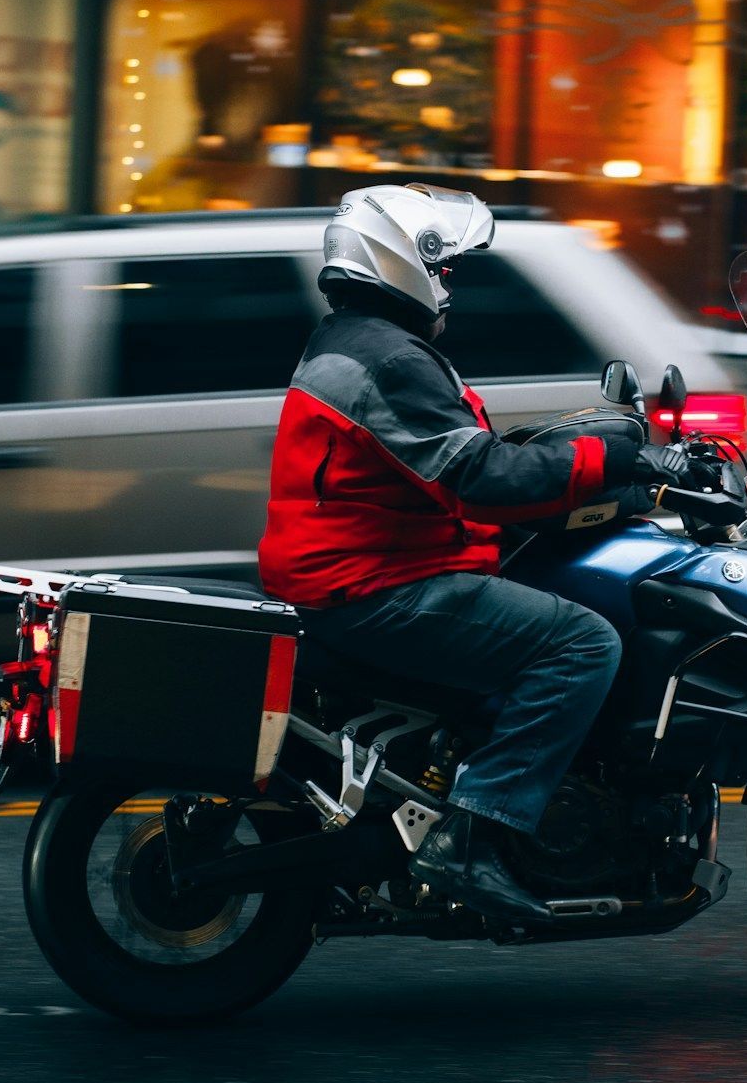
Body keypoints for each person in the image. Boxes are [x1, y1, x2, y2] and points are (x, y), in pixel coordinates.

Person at [258, 183, 690, 923]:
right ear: (401, 262)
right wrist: (613, 459)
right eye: (444, 266)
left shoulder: (364, 345)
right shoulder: (389, 359)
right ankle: (473, 834)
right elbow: (481, 479)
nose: (449, 282)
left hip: (367, 570)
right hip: (376, 586)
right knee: (584, 643)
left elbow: (458, 456)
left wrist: (581, 449)